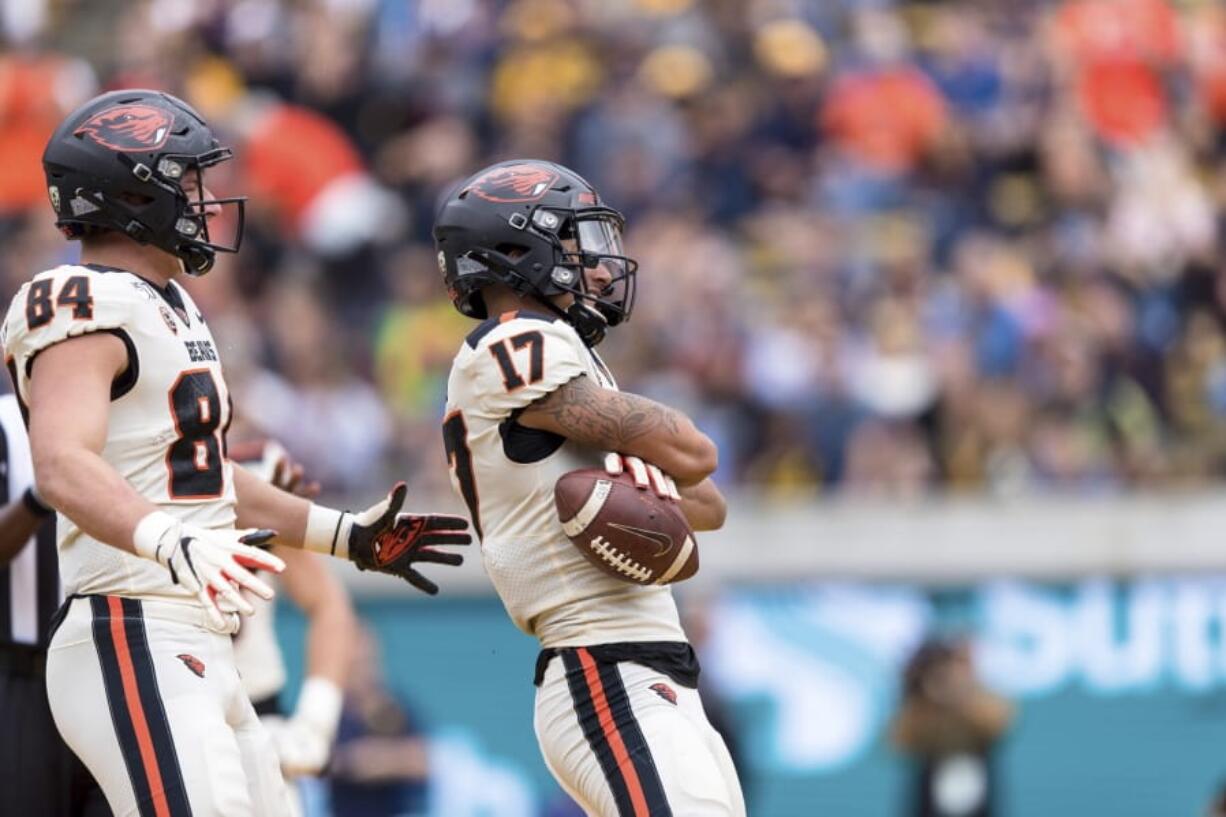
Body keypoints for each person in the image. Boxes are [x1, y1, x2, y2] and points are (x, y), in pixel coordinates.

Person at [0, 88, 471, 817]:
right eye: (186, 181)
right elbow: (61, 461)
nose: (206, 198)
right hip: (132, 626)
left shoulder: (172, 305)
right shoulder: (77, 295)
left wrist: (346, 534)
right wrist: (170, 539)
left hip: (200, 640)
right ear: (131, 194)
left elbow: (209, 481)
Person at [434, 160, 744, 816]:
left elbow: (707, 505)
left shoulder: (559, 349)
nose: (601, 266)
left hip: (652, 663)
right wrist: (651, 457)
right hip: (600, 659)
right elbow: (696, 450)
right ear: (521, 252)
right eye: (579, 243)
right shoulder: (513, 341)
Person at [228, 438, 354, 816]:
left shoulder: (256, 471)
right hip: (159, 714)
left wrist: (316, 720)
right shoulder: (108, 467)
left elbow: (327, 604)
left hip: (256, 711)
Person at [0, 392, 110, 817]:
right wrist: (37, 500)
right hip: (23, 678)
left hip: (109, 677)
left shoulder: (129, 421)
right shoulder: (6, 422)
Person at [890, 637, 1014, 817]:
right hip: (929, 791)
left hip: (978, 790)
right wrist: (928, 693)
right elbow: (899, 741)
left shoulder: (981, 698)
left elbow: (1000, 721)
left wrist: (960, 694)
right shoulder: (921, 707)